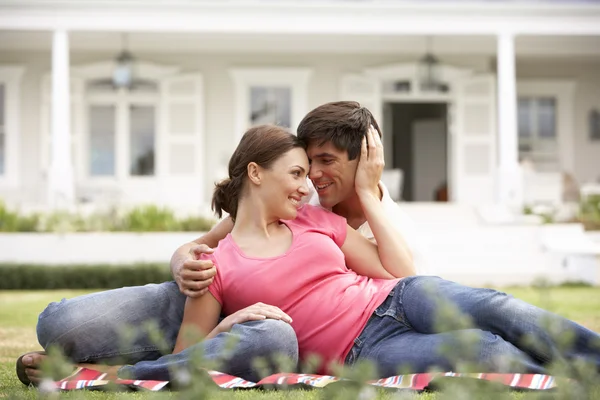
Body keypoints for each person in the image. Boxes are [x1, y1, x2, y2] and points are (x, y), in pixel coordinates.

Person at [18, 101, 423, 385]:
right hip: (203, 302)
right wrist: (182, 262)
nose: (313, 176)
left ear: (366, 161)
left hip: (267, 330)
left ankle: (124, 370)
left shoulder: (392, 231)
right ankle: (135, 360)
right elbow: (209, 241)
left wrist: (369, 195)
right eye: (308, 162)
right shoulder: (298, 198)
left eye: (326, 162)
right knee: (57, 326)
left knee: (258, 339)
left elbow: (405, 285)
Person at [163, 124, 600, 378]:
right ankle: (570, 379)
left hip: (397, 298)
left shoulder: (311, 218)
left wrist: (368, 191)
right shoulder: (213, 265)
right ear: (255, 174)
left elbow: (395, 270)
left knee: (500, 308)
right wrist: (232, 321)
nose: (306, 185)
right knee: (485, 350)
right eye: (297, 173)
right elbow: (188, 353)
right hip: (359, 352)